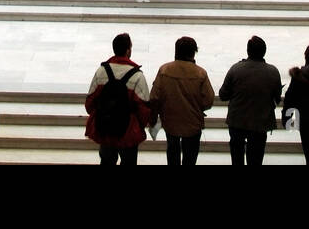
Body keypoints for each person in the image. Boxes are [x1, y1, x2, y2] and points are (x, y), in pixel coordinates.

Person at [85, 33, 154, 165]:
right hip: (128, 131)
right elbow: (144, 109)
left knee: (106, 161)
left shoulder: (102, 71)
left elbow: (90, 103)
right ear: (128, 50)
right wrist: (140, 125)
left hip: (105, 128)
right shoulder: (137, 76)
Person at [150, 36, 215, 165]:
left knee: (172, 152)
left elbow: (154, 97)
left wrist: (154, 116)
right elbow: (209, 100)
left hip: (171, 121)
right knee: (190, 157)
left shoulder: (164, 70)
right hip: (193, 123)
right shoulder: (200, 73)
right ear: (193, 53)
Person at [218, 35, 283, 166]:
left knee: (237, 156)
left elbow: (223, 95)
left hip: (237, 120)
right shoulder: (273, 71)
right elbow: (277, 98)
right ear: (264, 51)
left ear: (248, 51)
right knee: (256, 158)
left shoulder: (235, 69)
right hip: (261, 121)